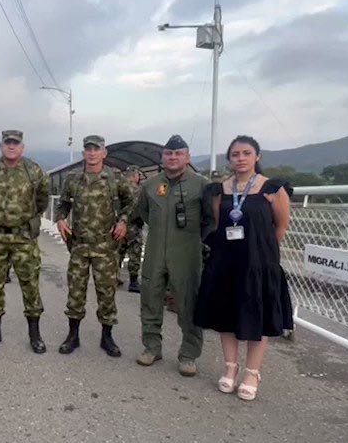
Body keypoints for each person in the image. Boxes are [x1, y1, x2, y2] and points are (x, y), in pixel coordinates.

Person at [195, 135, 293, 401]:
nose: (240, 158)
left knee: (256, 316)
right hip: (226, 261)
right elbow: (219, 222)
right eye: (235, 154)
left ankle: (252, 373)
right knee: (227, 315)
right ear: (229, 159)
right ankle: (230, 367)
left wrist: (264, 254)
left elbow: (281, 226)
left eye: (246, 153)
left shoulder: (272, 188)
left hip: (258, 263)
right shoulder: (219, 190)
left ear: (257, 157)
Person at [133, 134, 213, 376]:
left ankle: (188, 354)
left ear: (187, 157)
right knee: (150, 298)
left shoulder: (201, 185)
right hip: (156, 250)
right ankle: (152, 347)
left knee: (188, 302)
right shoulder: (149, 186)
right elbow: (144, 215)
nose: (173, 157)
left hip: (187, 253)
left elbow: (210, 220)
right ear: (163, 157)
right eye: (168, 153)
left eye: (178, 153)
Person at [55, 135, 135, 357]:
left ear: (104, 152)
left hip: (105, 247)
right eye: (88, 149)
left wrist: (123, 221)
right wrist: (61, 219)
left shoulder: (114, 177)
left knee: (106, 292)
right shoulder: (73, 178)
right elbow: (63, 204)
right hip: (79, 246)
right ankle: (73, 336)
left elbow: (131, 202)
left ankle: (107, 337)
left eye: (96, 149)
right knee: (75, 292)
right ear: (83, 153)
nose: (92, 153)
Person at [0, 130, 50, 354]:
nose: (11, 147)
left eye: (15, 144)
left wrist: (24, 218)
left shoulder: (33, 171)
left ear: (22, 147)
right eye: (7, 143)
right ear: (1, 146)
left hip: (23, 238)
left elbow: (42, 200)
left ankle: (34, 334)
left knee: (30, 285)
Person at [117, 165, 144, 293]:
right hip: (134, 226)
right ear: (134, 175)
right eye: (138, 175)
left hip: (119, 225)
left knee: (118, 252)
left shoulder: (119, 189)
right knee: (134, 253)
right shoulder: (139, 190)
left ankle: (114, 277)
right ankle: (133, 282)